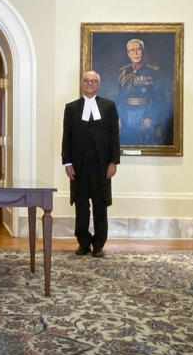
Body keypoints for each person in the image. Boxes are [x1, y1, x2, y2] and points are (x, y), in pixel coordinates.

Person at [61, 71, 120, 258]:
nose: (90, 84)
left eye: (93, 81)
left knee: (100, 205)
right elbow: (67, 137)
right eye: (87, 80)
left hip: (101, 166)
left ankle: (99, 244)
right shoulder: (71, 108)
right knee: (81, 205)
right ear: (81, 83)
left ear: (99, 84)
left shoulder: (109, 107)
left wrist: (114, 162)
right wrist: (67, 162)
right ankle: (83, 243)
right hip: (79, 165)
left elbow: (114, 137)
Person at [117, 38, 170, 145]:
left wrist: (151, 118)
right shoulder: (123, 72)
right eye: (132, 50)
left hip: (145, 116)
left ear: (143, 51)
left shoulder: (153, 71)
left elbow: (160, 98)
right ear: (128, 53)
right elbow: (120, 98)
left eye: (138, 49)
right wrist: (118, 117)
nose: (136, 53)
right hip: (126, 117)